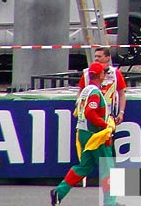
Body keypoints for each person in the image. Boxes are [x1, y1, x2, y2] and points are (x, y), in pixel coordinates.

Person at [51, 57, 119, 206]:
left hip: (83, 132)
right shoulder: (95, 92)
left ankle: (59, 191)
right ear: (100, 75)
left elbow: (79, 111)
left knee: (84, 167)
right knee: (109, 168)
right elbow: (90, 113)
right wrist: (105, 125)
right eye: (103, 73)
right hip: (95, 136)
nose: (105, 75)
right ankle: (110, 203)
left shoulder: (86, 91)